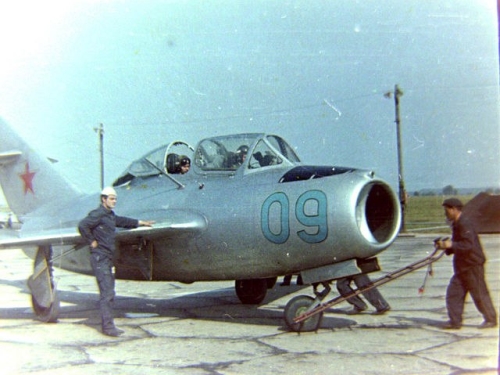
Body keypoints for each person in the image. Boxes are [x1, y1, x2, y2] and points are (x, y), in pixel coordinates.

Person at [78, 187, 154, 337]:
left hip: (107, 258)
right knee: (107, 293)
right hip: (100, 257)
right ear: (103, 199)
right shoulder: (98, 214)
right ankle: (107, 328)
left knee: (109, 292)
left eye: (115, 199)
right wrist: (91, 241)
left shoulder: (109, 215)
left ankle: (109, 325)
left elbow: (122, 221)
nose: (114, 201)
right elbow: (83, 225)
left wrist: (141, 223)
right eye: (111, 199)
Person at [434, 198, 497, 329]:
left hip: (472, 265)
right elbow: (459, 245)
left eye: (446, 210)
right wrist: (446, 247)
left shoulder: (464, 223)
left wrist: (451, 244)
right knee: (454, 293)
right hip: (463, 267)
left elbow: (468, 245)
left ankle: (491, 319)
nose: (445, 213)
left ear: (453, 209)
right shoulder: (457, 224)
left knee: (479, 294)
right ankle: (455, 321)